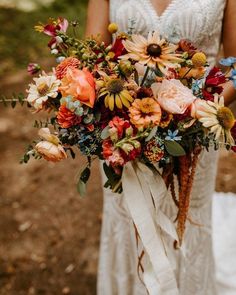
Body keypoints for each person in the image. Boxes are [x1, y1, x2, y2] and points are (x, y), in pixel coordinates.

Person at [86, 0, 236, 294]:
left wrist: (198, 112)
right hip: (124, 133)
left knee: (186, 219)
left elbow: (235, 63)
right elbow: (93, 57)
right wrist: (120, 113)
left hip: (194, 134)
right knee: (129, 218)